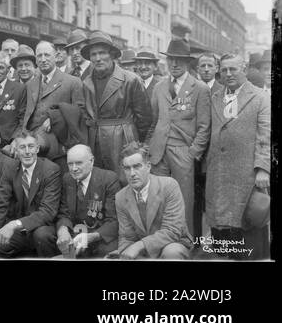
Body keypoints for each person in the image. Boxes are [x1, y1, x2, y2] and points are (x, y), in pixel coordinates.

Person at [205, 54, 271, 260]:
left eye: (233, 69)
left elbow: (265, 135)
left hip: (247, 173)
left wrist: (262, 168)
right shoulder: (215, 96)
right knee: (221, 229)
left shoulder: (260, 97)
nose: (228, 74)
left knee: (247, 224)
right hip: (218, 173)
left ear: (244, 69)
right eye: (224, 70)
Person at [148, 38, 211, 239]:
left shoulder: (199, 88)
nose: (174, 64)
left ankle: (185, 241)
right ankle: (160, 240)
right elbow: (153, 121)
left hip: (183, 151)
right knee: (158, 198)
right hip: (158, 153)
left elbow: (204, 127)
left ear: (188, 62)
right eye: (171, 59)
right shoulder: (159, 87)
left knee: (184, 199)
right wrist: (149, 148)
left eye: (179, 60)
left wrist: (193, 153)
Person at [0, 131, 61, 258]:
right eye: (22, 147)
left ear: (37, 149)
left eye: (31, 146)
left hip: (43, 226)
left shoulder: (50, 170)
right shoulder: (11, 168)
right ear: (16, 150)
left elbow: (48, 212)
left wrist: (14, 224)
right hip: (21, 231)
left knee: (41, 235)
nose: (27, 152)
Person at [78, 32, 155, 171]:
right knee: (100, 179)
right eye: (93, 54)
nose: (98, 58)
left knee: (124, 179)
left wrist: (134, 142)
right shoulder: (86, 83)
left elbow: (145, 120)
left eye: (102, 53)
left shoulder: (131, 80)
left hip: (123, 142)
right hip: (95, 143)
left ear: (112, 55)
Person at [109, 142, 193, 260]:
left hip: (172, 243)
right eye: (127, 168)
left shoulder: (169, 185)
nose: (132, 173)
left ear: (148, 166)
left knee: (172, 252)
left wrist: (138, 246)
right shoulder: (121, 196)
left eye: (137, 166)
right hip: (143, 251)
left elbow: (172, 230)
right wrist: (125, 253)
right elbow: (127, 237)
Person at [41, 145, 121, 259]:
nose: (74, 168)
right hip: (75, 233)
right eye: (70, 164)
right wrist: (63, 230)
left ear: (91, 161)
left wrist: (91, 237)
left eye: (79, 163)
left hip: (97, 235)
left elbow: (113, 220)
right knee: (43, 235)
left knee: (106, 250)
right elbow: (64, 213)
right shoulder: (67, 179)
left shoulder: (109, 179)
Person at [23, 41, 86, 151]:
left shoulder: (73, 82)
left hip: (58, 143)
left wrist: (55, 117)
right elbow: (23, 115)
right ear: (36, 60)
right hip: (30, 140)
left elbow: (80, 111)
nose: (43, 59)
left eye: (47, 55)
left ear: (55, 57)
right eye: (39, 56)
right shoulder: (29, 85)